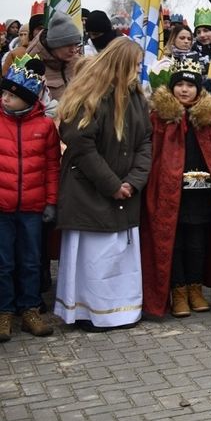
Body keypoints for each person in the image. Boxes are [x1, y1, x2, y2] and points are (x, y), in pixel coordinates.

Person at [54, 37, 152, 331]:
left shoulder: (136, 96)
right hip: (89, 192)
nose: (138, 70)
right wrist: (112, 184)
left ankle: (120, 312)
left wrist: (133, 181)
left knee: (117, 259)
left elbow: (145, 141)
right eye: (134, 65)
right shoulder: (90, 96)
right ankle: (89, 312)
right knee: (93, 260)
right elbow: (82, 146)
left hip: (125, 190)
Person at [140, 59, 211, 319]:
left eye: (189, 85)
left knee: (197, 242)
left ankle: (195, 288)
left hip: (201, 194)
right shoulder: (160, 118)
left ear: (198, 89)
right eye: (179, 84)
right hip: (169, 192)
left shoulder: (209, 119)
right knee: (174, 243)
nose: (184, 90)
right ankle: (178, 290)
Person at [0, 56, 59, 340]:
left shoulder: (45, 126)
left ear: (27, 100)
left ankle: (30, 310)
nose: (5, 99)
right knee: (4, 262)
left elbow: (51, 166)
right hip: (3, 206)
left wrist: (50, 201)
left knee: (31, 261)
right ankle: (4, 312)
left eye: (12, 95)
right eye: (4, 94)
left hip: (33, 208)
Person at [26, 12, 84, 106]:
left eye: (76, 44)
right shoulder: (32, 64)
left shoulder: (79, 62)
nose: (73, 50)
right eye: (68, 45)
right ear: (54, 44)